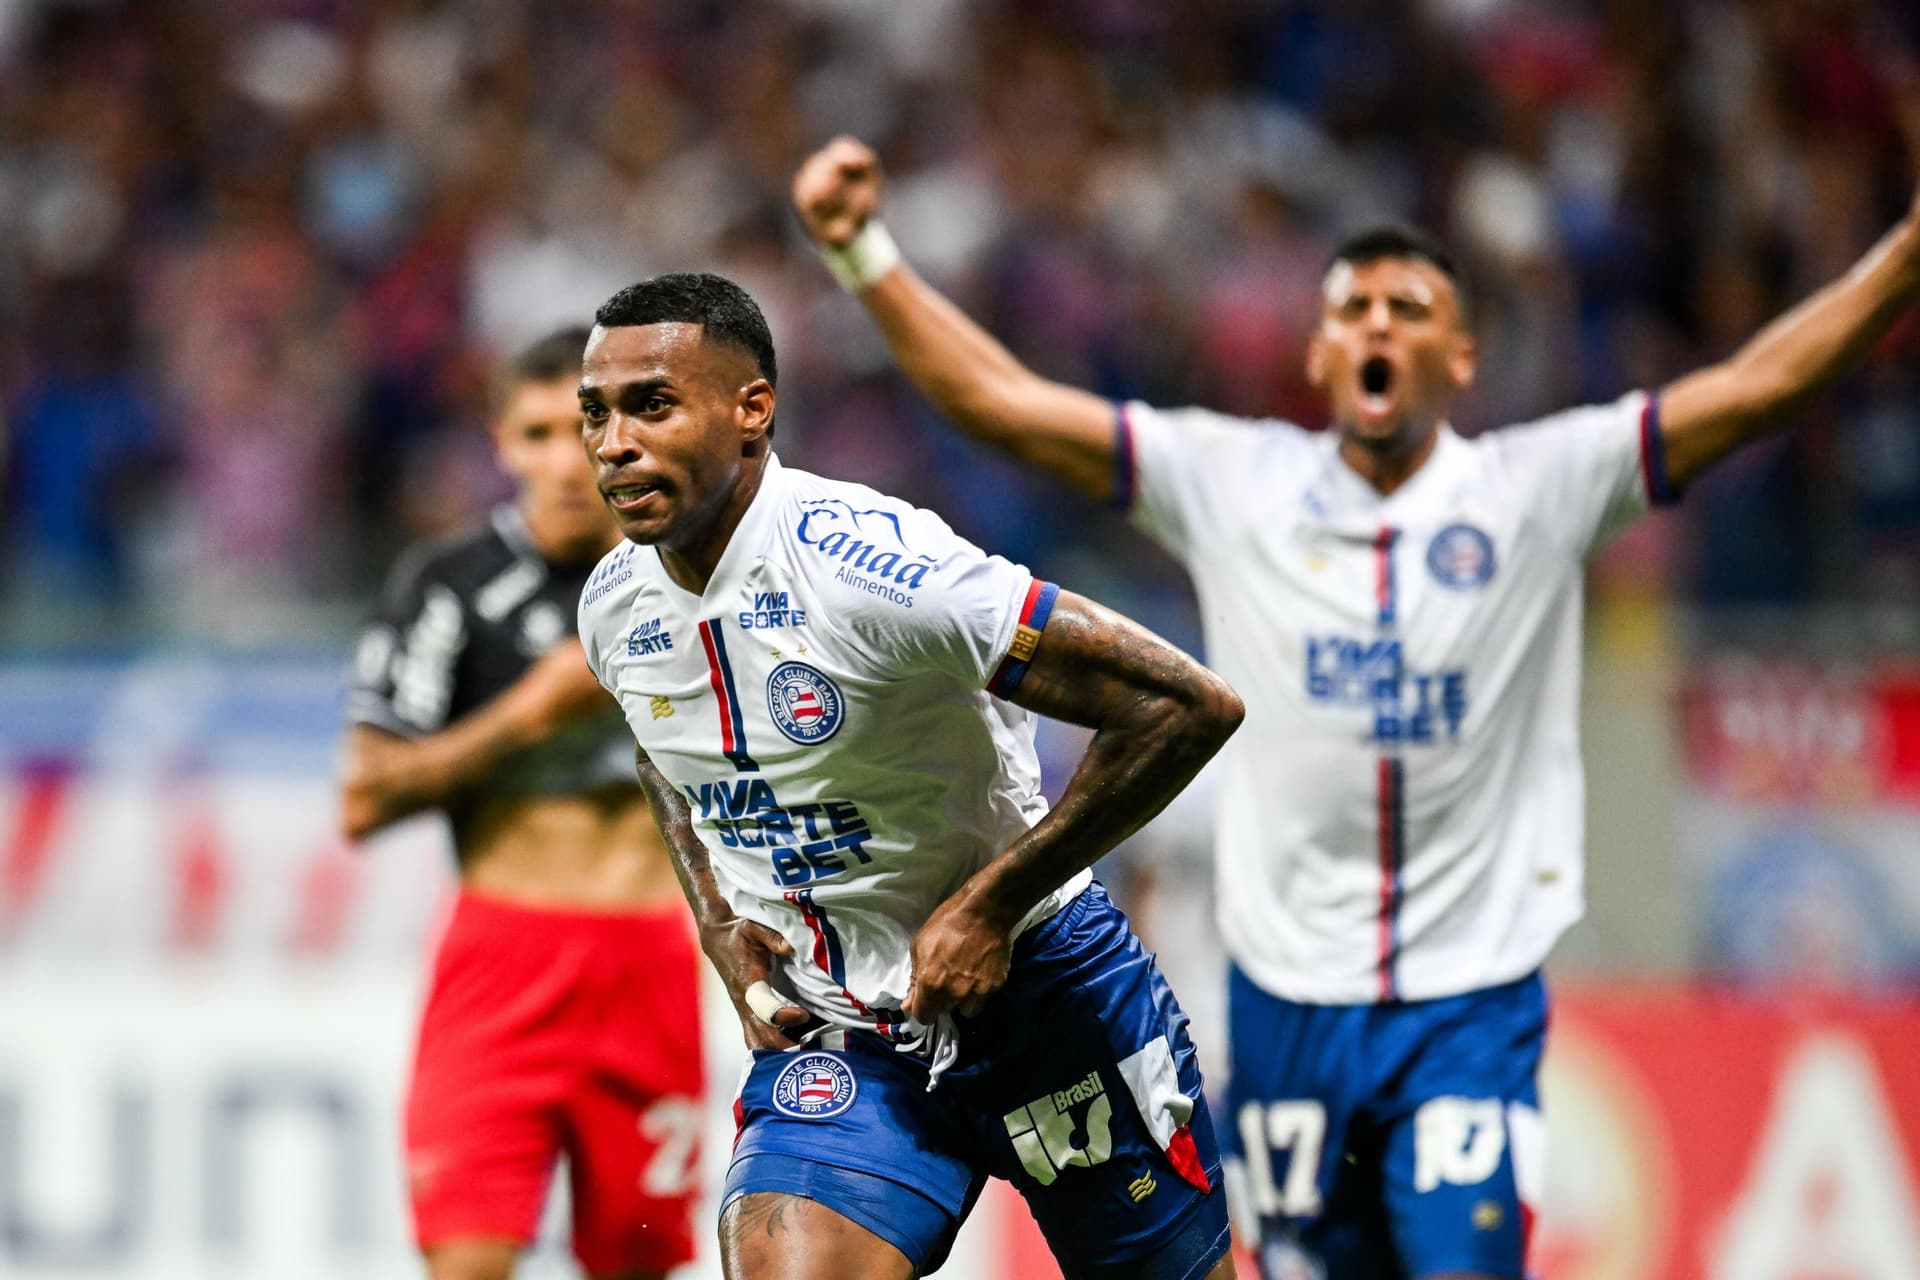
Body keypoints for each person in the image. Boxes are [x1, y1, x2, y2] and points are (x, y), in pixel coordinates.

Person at [791, 135, 1920, 1279]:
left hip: (1464, 1000)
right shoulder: (1230, 477)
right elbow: (998, 400)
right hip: (1289, 1000)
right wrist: (860, 247)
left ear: (1462, 355)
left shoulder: (1543, 482)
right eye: (1356, 307)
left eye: (1411, 307)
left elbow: (1761, 384)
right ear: (1322, 352)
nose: (1381, 324)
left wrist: (1910, 250)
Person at [574, 271, 1245, 1280]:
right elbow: (662, 749)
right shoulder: (614, 608)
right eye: (597, 411)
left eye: (651, 404)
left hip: (1048, 999)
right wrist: (718, 921)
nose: (613, 440)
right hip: (843, 1033)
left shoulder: (874, 569)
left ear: (752, 408)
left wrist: (990, 900)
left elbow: (1185, 703)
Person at [339, 327, 704, 1280]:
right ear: (501, 443)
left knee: (639, 1264)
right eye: (535, 433)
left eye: (582, 430)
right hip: (502, 962)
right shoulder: (449, 588)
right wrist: (535, 711)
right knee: (466, 1263)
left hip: (650, 964)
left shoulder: (696, 578)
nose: (562, 461)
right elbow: (364, 796)